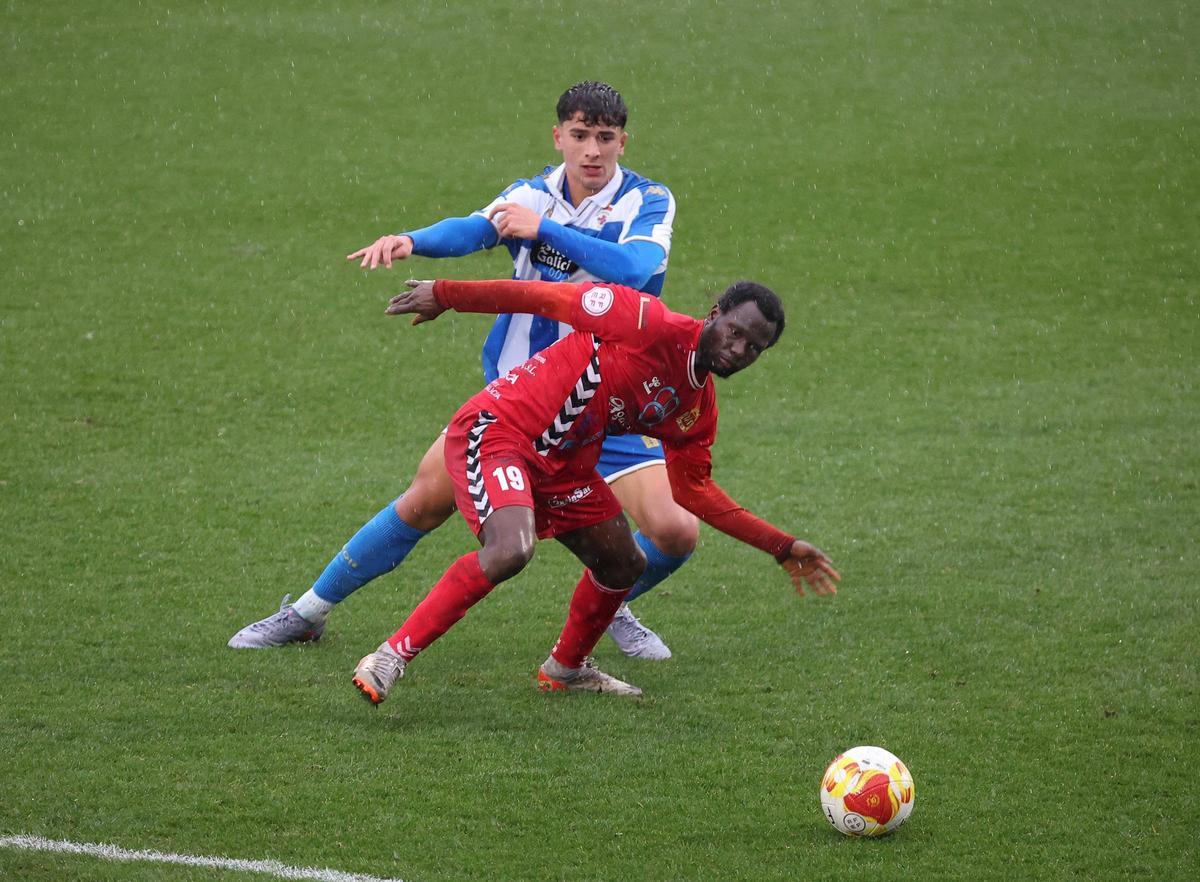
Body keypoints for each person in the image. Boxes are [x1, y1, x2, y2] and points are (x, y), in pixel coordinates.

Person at [229, 81, 694, 659]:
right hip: (523, 401)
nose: (592, 151)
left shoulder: (648, 201)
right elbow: (474, 229)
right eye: (580, 136)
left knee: (675, 530)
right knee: (423, 501)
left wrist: (546, 231)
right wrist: (411, 240)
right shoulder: (529, 195)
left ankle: (612, 603)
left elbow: (635, 267)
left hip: (608, 404)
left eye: (605, 137)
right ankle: (305, 613)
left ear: (624, 141)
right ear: (558, 137)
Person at [350, 276, 840, 704]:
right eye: (735, 332)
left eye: (754, 349)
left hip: (565, 468)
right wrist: (445, 294)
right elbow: (542, 297)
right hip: (501, 432)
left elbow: (696, 493)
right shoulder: (645, 320)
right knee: (510, 551)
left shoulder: (696, 410)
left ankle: (566, 669)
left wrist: (780, 546)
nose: (738, 350)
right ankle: (389, 657)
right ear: (715, 315)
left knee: (624, 562)